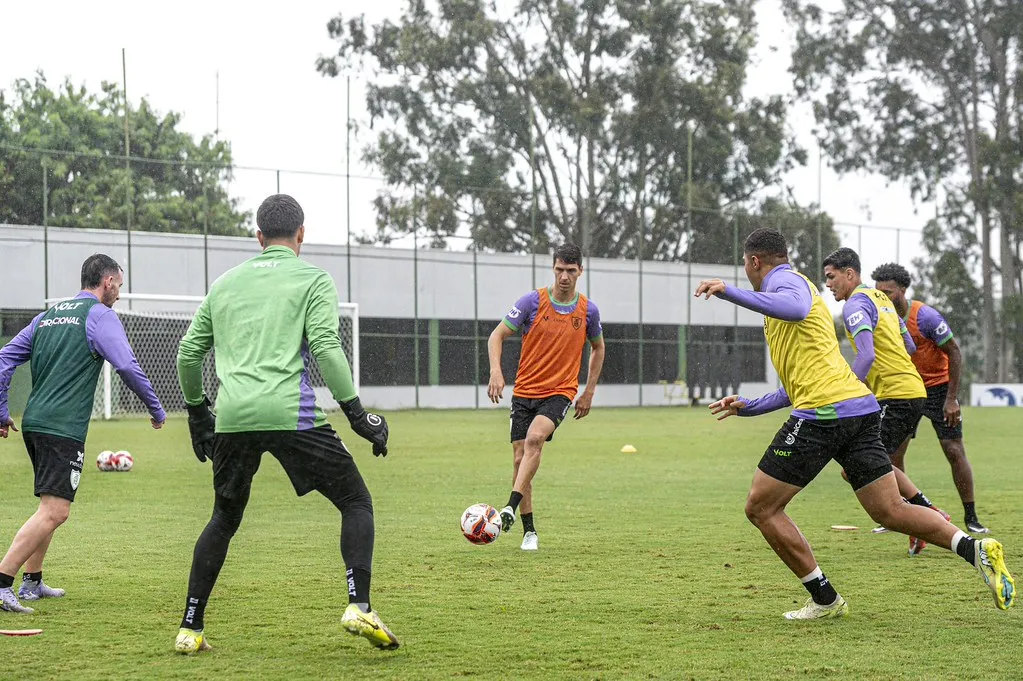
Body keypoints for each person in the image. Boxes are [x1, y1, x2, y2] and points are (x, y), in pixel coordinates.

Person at [698, 228, 1013, 619]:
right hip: (857, 409)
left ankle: (825, 599)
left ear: (753, 262)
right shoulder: (790, 294)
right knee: (890, 511)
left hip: (824, 414)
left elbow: (795, 311)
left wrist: (727, 291)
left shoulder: (786, 281)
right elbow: (794, 387)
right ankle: (975, 548)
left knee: (761, 508)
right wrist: (750, 406)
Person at [173, 194, 396, 654]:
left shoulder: (226, 283)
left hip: (233, 418)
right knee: (356, 501)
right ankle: (359, 604)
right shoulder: (313, 278)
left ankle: (190, 629)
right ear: (301, 234)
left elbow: (187, 353)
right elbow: (326, 347)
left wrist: (199, 414)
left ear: (258, 237)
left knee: (222, 519)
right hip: (291, 414)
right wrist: (356, 412)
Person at [0, 254, 166, 615]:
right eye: (119, 286)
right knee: (56, 511)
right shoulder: (100, 316)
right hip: (62, 427)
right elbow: (125, 364)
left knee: (50, 505)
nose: (119, 294)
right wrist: (155, 408)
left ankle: (31, 583)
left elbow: (3, 359)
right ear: (107, 282)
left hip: (35, 422)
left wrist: (1, 409)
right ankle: (2, 583)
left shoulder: (46, 317)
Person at [822, 248, 951, 555]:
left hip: (898, 396)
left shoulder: (856, 304)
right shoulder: (883, 301)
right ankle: (920, 518)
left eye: (831, 277)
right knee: (875, 464)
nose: (828, 285)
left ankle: (925, 516)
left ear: (850, 274)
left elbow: (866, 355)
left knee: (858, 465)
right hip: (909, 391)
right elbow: (907, 345)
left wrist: (845, 390)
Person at [487, 243, 605, 551]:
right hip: (524, 392)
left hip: (560, 392)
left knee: (534, 440)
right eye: (559, 270)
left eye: (570, 270)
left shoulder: (588, 311)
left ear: (580, 271)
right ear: (553, 269)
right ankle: (529, 532)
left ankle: (510, 505)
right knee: (519, 458)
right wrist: (496, 373)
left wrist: (588, 391)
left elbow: (598, 347)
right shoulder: (532, 302)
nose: (564, 276)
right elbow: (496, 335)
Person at [871, 262, 988, 534]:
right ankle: (899, 512)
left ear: (902, 289)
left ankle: (971, 517)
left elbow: (954, 352)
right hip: (904, 391)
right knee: (891, 455)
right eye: (879, 292)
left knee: (953, 450)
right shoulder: (880, 315)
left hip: (937, 390)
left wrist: (952, 399)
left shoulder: (925, 317)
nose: (883, 297)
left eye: (888, 292)